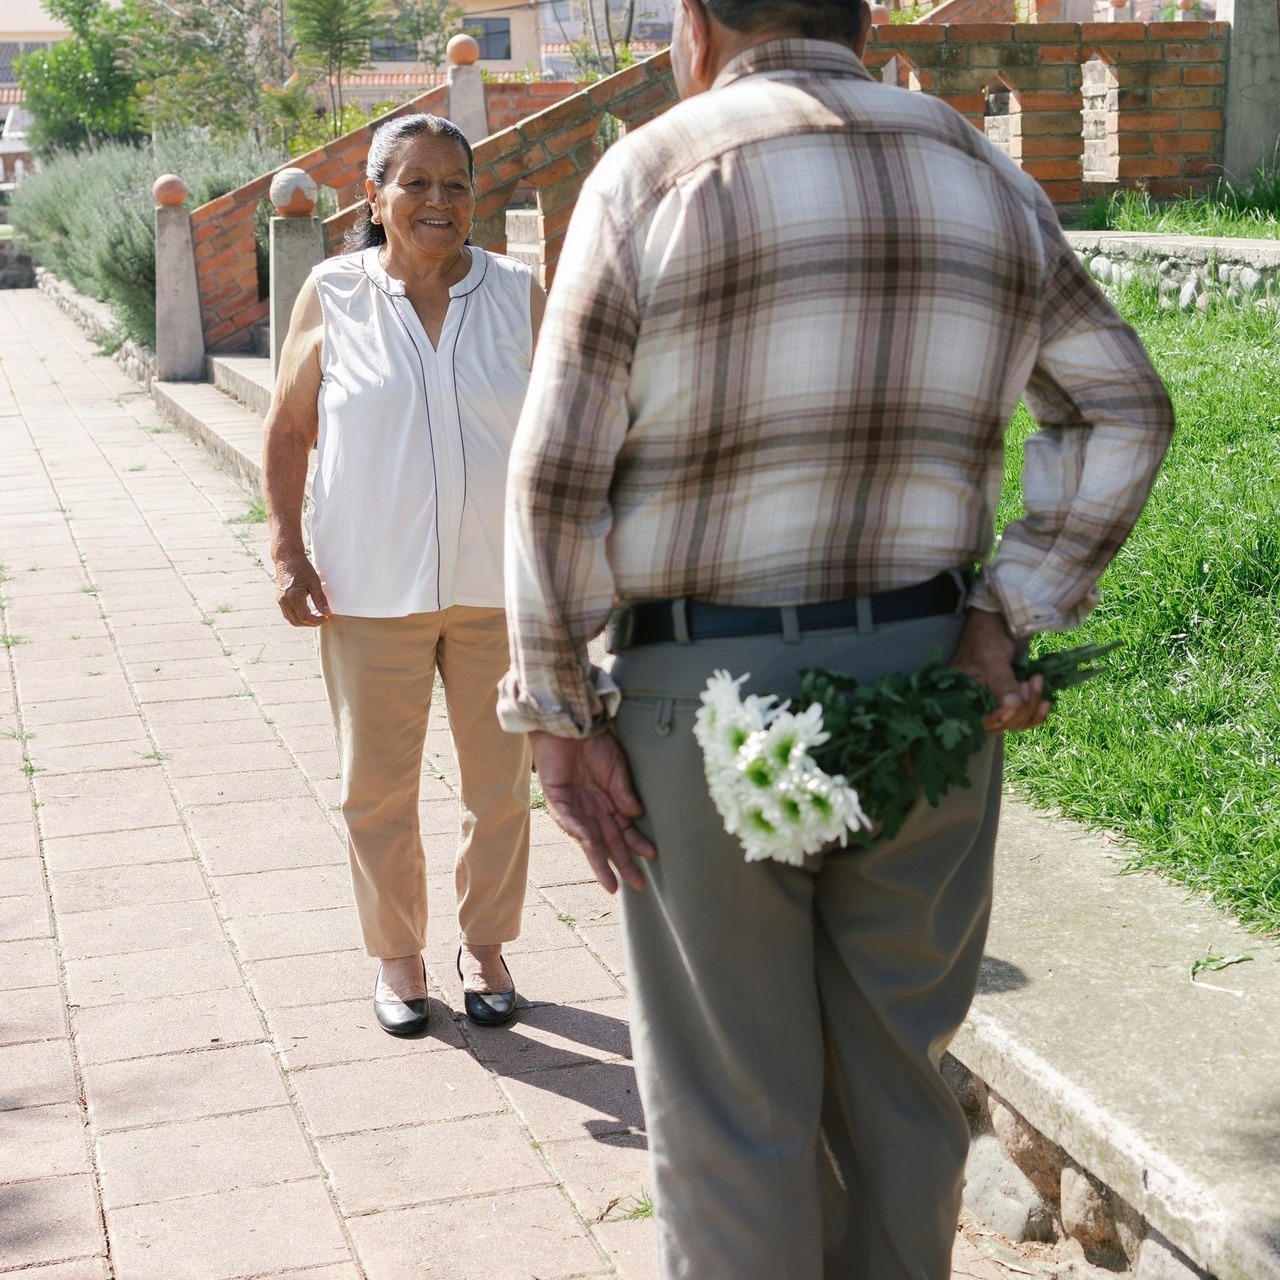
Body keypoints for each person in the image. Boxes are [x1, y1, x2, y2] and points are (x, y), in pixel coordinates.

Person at [498, 0, 1175, 1275]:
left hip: (697, 692)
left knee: (730, 1106)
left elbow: (553, 480)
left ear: (695, 26)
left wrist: (557, 714)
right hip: (927, 677)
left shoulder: (653, 170)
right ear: (860, 17)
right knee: (905, 1085)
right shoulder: (976, 164)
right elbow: (1123, 408)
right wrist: (1003, 609)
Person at [264, 113, 545, 1037]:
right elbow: (288, 426)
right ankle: (397, 955)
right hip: (367, 582)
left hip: (497, 588)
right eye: (415, 183)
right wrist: (286, 548)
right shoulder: (333, 291)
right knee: (374, 785)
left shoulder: (516, 292)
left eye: (456, 185)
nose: (438, 201)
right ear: (374, 199)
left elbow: (561, 436)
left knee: (499, 783)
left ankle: (489, 944)